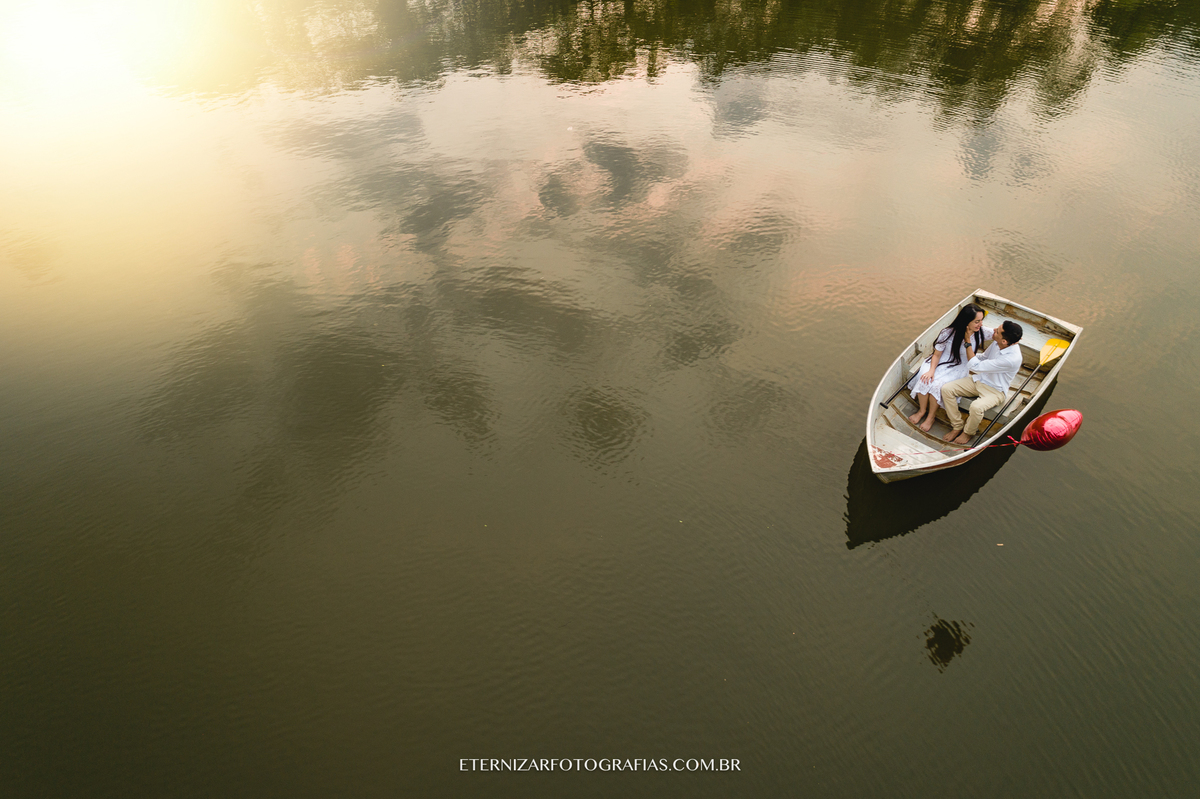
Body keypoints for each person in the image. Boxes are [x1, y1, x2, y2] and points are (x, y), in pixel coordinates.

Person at [907, 304, 992, 432]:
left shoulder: (981, 332)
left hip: (958, 366)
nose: (980, 324)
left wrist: (1014, 338)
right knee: (926, 378)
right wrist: (931, 370)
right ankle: (922, 410)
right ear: (966, 321)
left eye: (981, 320)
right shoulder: (947, 332)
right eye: (977, 321)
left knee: (938, 385)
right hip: (940, 362)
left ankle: (931, 417)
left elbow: (999, 333)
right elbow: (936, 354)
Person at [940, 320, 1025, 445]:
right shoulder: (998, 343)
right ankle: (957, 425)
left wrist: (967, 342)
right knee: (947, 389)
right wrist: (963, 354)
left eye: (998, 331)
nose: (994, 329)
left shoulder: (1011, 359)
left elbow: (975, 367)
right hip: (979, 380)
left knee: (976, 407)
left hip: (995, 390)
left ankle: (968, 432)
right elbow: (983, 357)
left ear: (1004, 341)